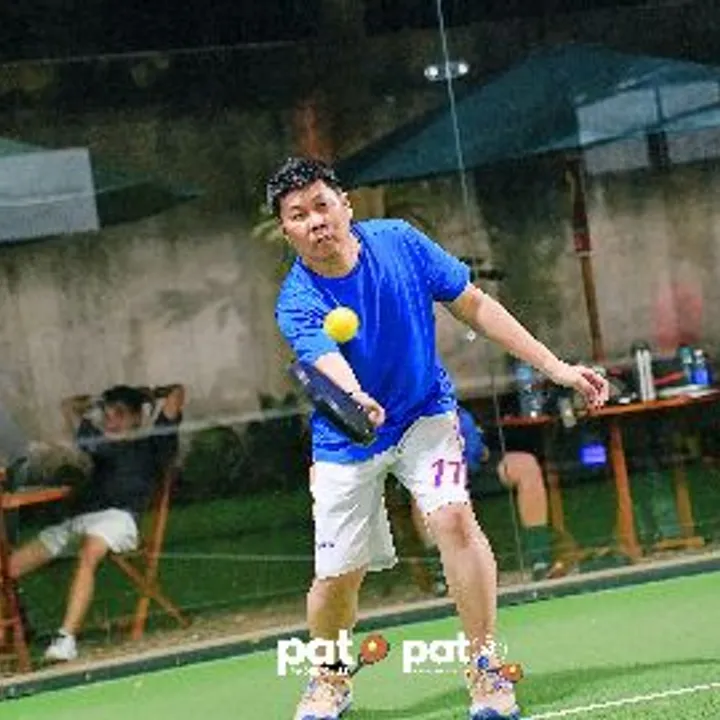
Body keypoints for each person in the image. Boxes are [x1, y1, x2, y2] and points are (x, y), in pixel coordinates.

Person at [269, 157, 608, 720]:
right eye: (298, 215)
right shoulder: (297, 300)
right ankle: (329, 677)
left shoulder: (400, 243)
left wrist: (555, 367)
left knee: (452, 518)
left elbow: (474, 304)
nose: (316, 221)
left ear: (346, 206)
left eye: (322, 205)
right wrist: (356, 397)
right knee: (337, 575)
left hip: (425, 414)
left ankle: (485, 667)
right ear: (287, 231)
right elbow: (326, 361)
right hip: (348, 437)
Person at [4, 383, 184, 662]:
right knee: (9, 568)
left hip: (120, 520)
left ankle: (66, 639)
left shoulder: (154, 443)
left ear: (138, 417)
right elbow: (69, 406)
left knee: (90, 550)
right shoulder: (99, 444)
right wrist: (96, 402)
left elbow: (177, 394)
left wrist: (147, 394)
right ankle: (16, 630)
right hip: (83, 521)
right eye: (108, 415)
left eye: (120, 414)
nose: (112, 421)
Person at [409, 404, 563, 595]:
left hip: (475, 460)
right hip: (436, 470)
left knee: (526, 465)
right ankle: (443, 572)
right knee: (422, 489)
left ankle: (539, 559)